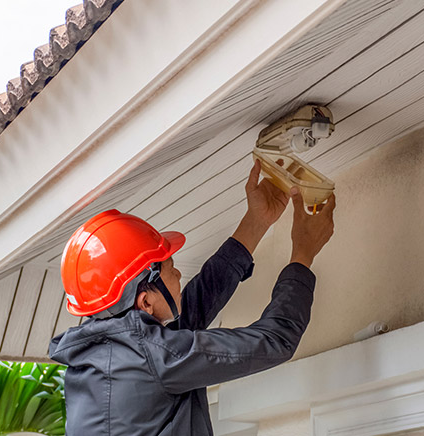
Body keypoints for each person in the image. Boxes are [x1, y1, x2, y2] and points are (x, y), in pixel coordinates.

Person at [49, 160, 335, 435]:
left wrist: (256, 221)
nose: (179, 277)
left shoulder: (101, 360)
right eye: (171, 270)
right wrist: (302, 255)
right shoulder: (152, 356)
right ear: (145, 302)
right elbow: (275, 341)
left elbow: (193, 311)